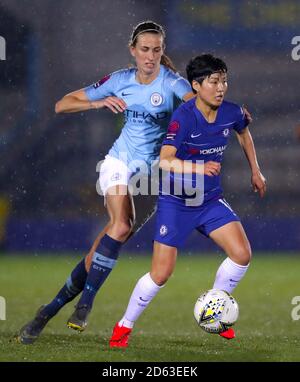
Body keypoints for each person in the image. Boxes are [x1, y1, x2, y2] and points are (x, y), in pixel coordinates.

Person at [16, 21, 194, 345]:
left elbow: (200, 106)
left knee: (106, 244)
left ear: (162, 51)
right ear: (133, 51)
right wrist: (97, 103)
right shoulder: (119, 80)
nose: (150, 56)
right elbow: (62, 103)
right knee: (121, 225)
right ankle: (86, 303)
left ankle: (49, 309)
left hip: (150, 179)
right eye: (144, 49)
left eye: (156, 49)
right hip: (118, 163)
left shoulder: (173, 84)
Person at [109, 54, 266, 348]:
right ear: (196, 85)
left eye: (224, 81)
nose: (221, 88)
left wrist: (256, 171)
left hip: (209, 201)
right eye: (214, 82)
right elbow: (165, 160)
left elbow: (244, 132)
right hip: (176, 203)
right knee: (161, 274)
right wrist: (198, 168)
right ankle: (124, 326)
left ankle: (215, 312)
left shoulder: (231, 112)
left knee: (242, 254)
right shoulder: (184, 117)